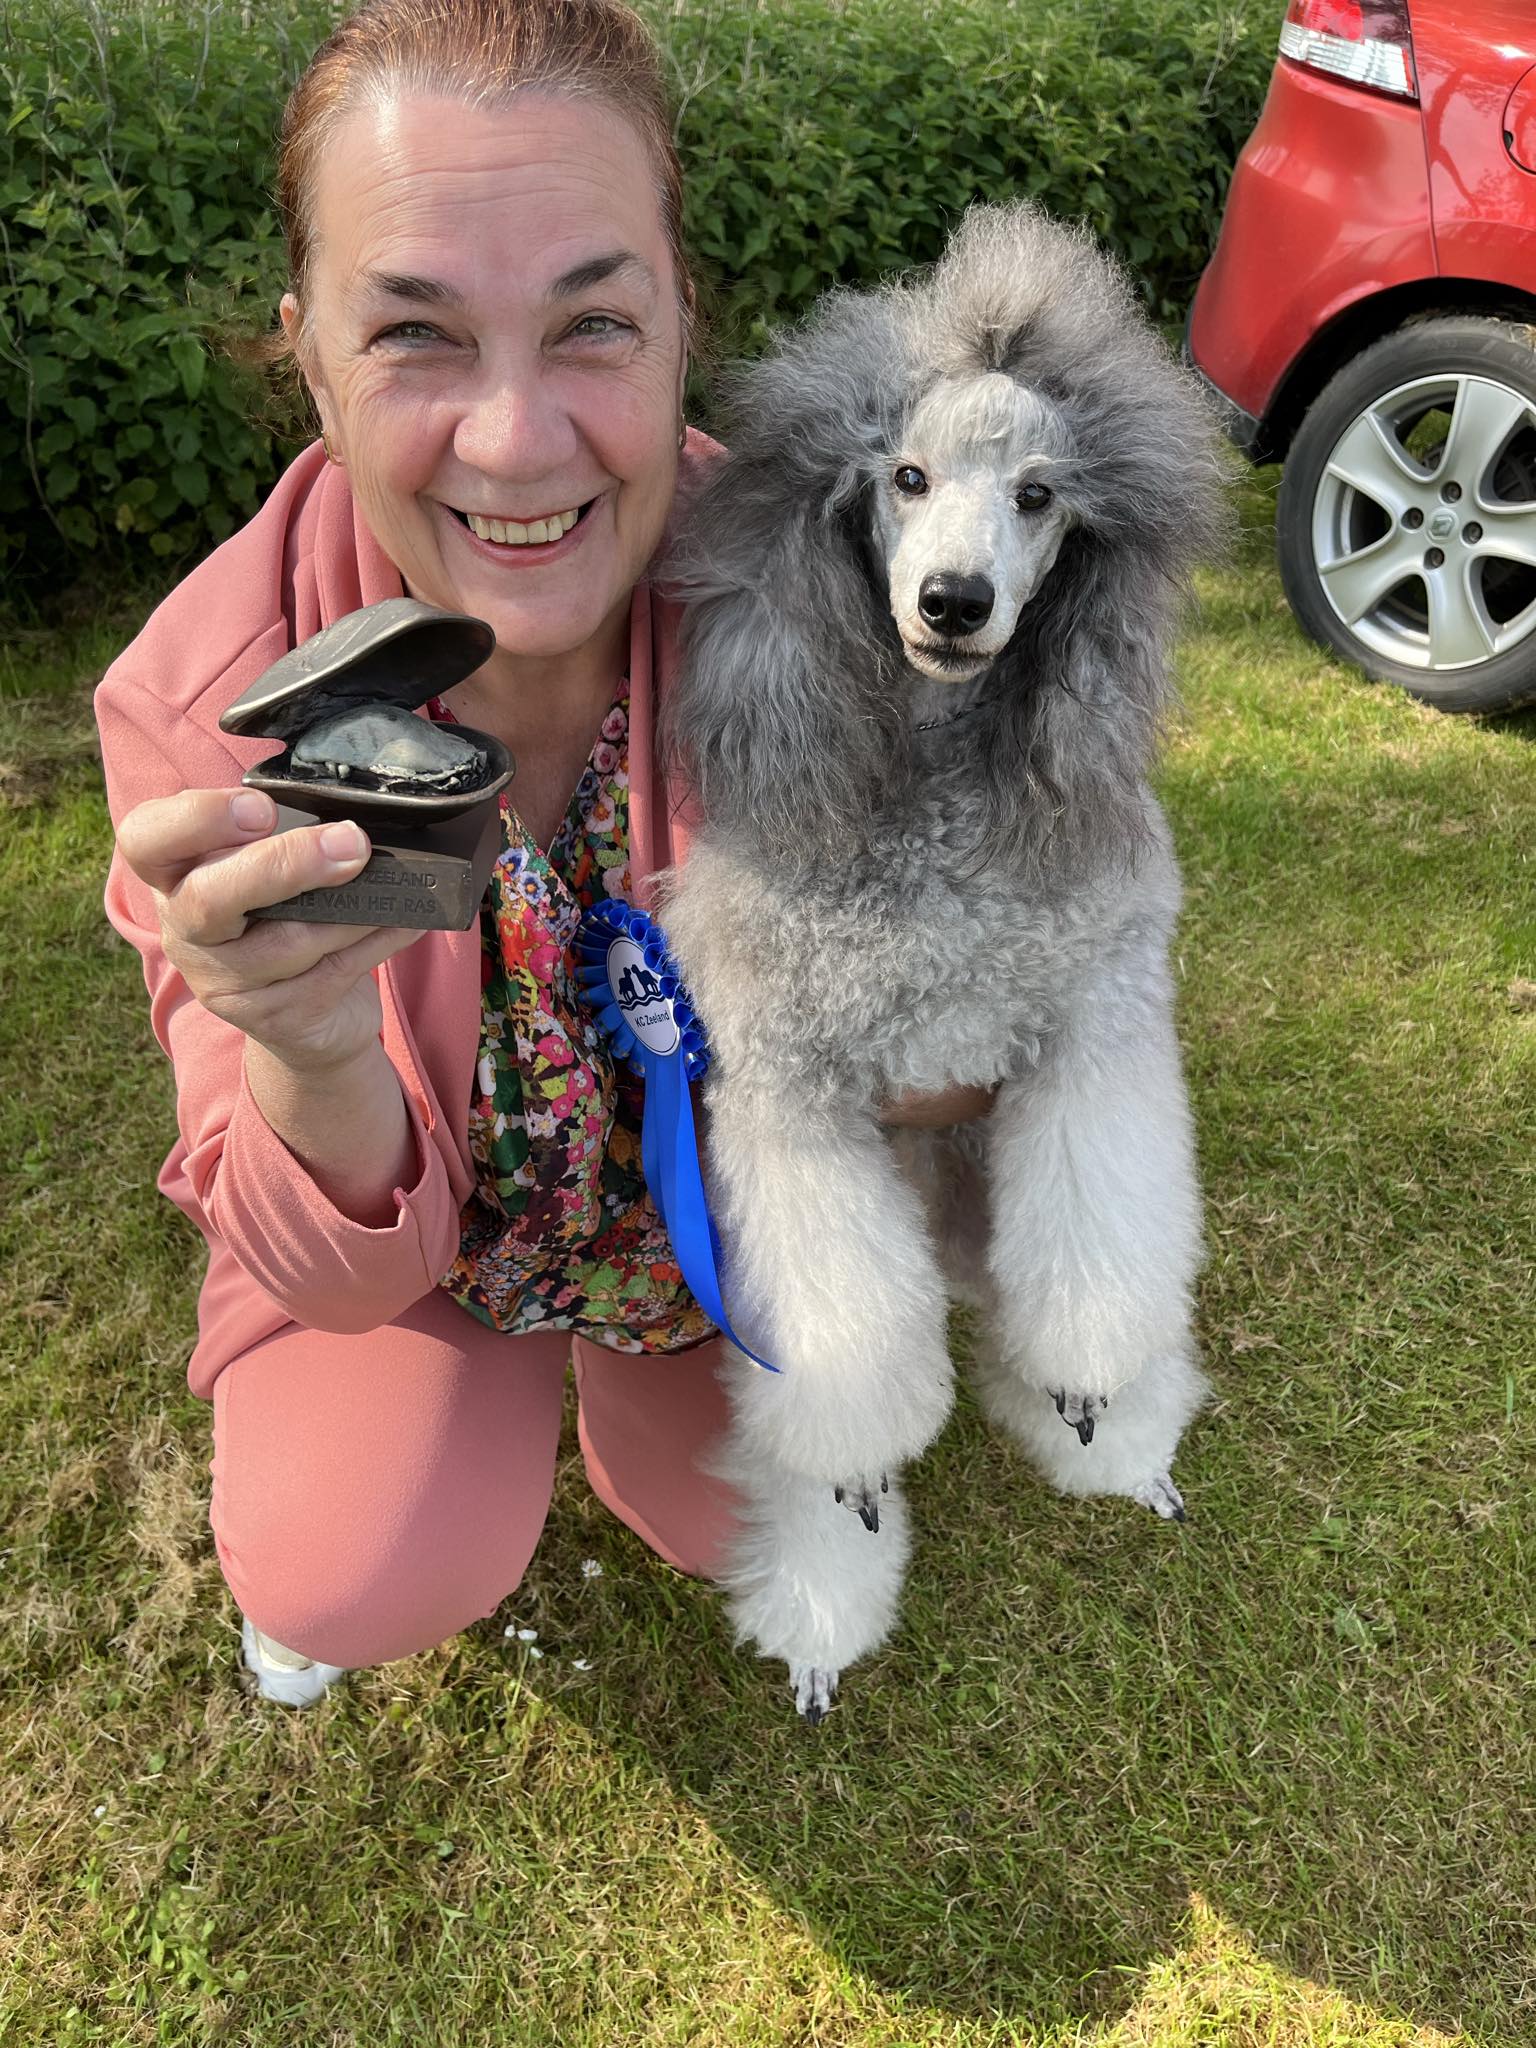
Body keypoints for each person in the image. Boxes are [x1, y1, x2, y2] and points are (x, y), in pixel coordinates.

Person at [94, 0, 993, 1708]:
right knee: (351, 1552)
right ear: (306, 355)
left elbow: (947, 1097)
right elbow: (326, 1256)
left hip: (709, 1216)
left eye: (593, 327)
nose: (514, 443)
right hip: (419, 1258)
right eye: (416, 336)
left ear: (679, 330)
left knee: (723, 1503)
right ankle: (442, 1435)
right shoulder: (198, 712)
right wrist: (302, 1046)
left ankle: (636, 1369)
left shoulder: (864, 611)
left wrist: (943, 1043)